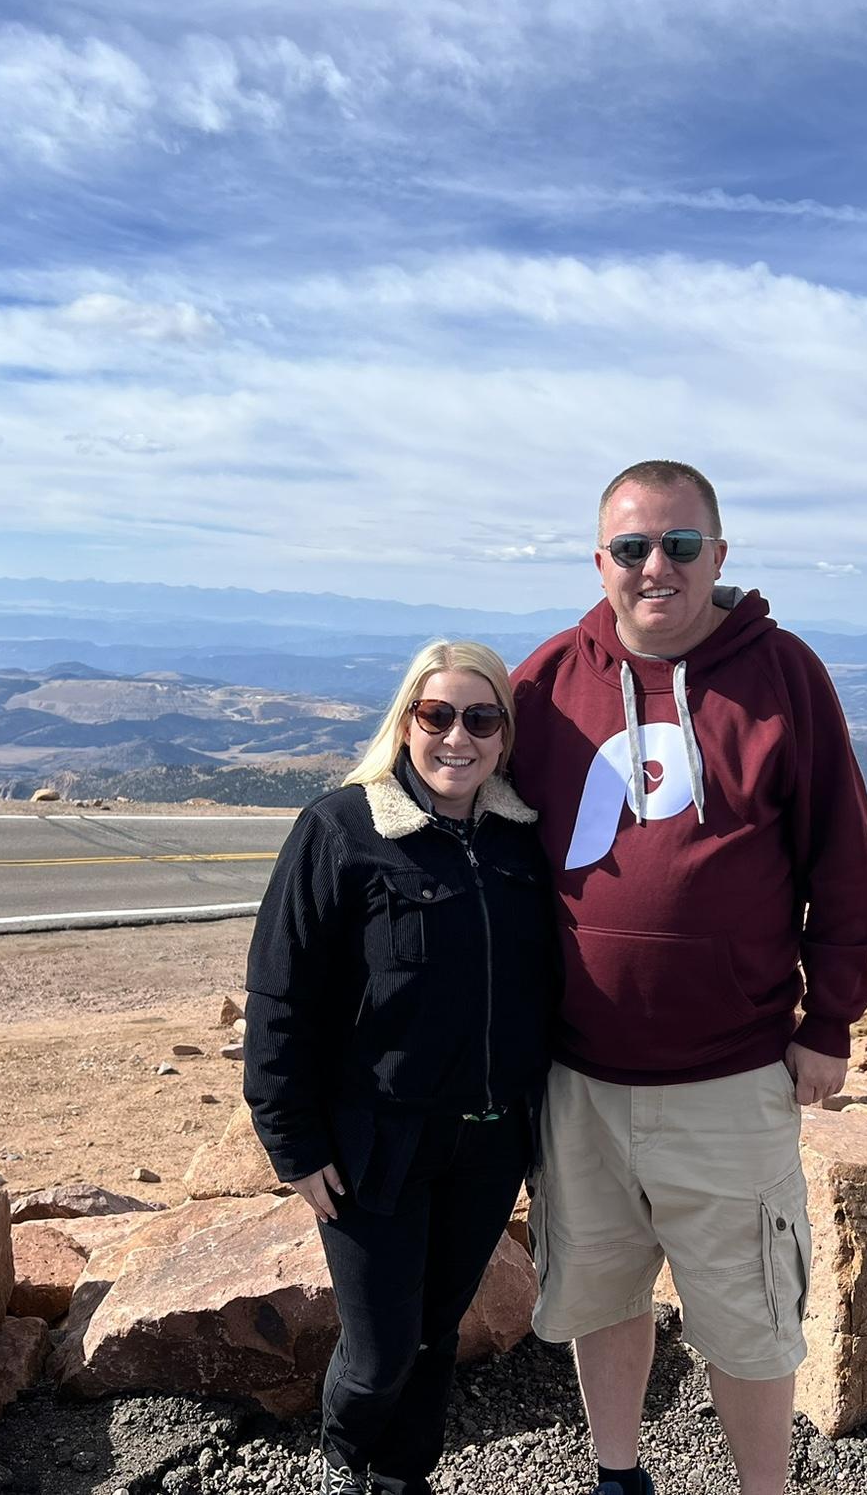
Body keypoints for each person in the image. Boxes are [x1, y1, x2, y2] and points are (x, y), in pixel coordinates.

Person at [508, 460, 867, 1495]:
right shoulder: (548, 680)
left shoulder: (783, 675)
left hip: (731, 1075)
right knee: (597, 1290)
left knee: (750, 1314)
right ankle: (616, 1473)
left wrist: (831, 1023)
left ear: (718, 556)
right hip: (578, 1078)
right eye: (633, 548)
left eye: (680, 545)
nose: (656, 567)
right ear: (601, 562)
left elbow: (842, 860)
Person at [243, 640, 556, 1495]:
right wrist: (293, 1145)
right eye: (438, 715)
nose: (459, 736)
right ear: (407, 722)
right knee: (380, 1351)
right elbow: (280, 995)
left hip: (488, 1145)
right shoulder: (342, 826)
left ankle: (404, 1478)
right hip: (376, 1143)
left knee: (435, 1335)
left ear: (503, 734)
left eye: (481, 718)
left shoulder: (521, 840)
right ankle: (345, 1463)